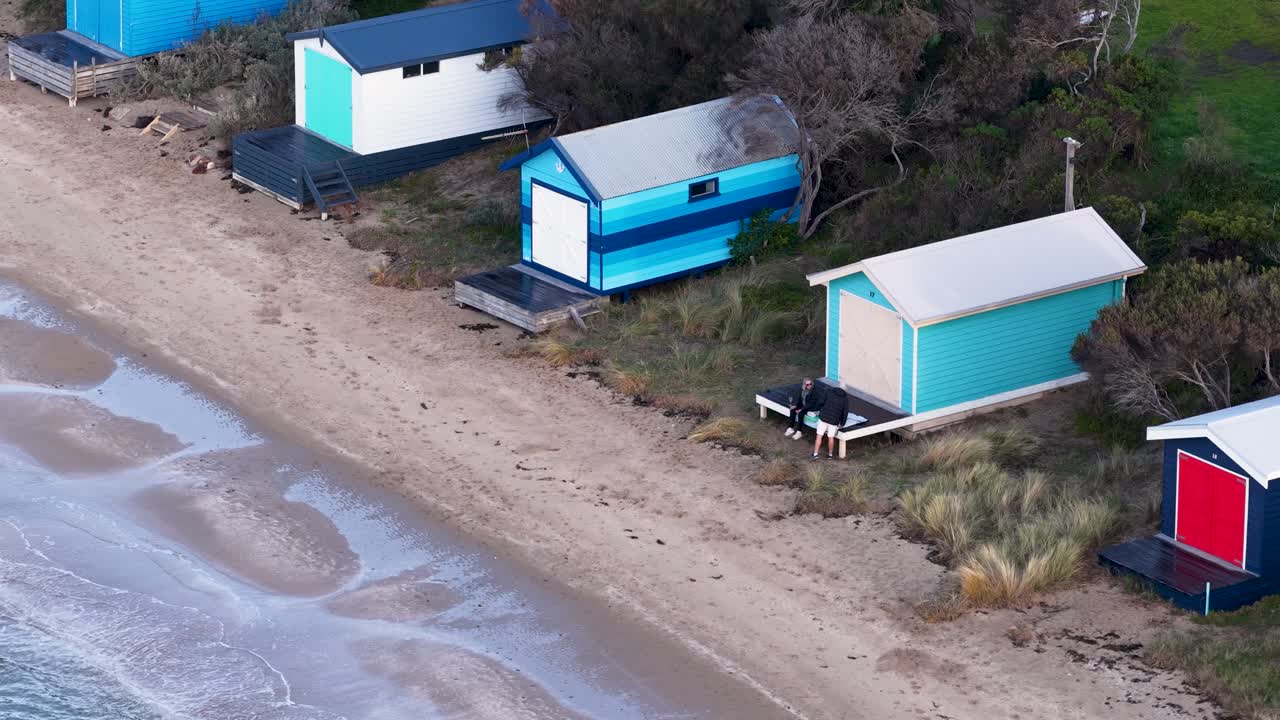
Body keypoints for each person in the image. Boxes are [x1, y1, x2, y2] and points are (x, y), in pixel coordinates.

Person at [812, 387, 848, 460]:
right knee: (831, 437)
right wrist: (842, 423)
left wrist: (818, 409)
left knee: (819, 436)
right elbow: (845, 412)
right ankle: (830, 455)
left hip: (823, 417)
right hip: (834, 421)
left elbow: (821, 402)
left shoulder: (828, 392)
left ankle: (815, 454)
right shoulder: (845, 398)